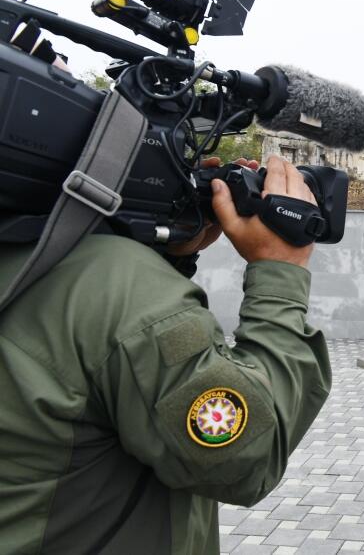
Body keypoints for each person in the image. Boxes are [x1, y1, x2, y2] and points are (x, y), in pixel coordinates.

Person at [0, 155, 332, 554]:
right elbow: (247, 458)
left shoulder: (36, 258)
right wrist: (281, 272)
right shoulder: (112, 282)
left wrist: (169, 254)